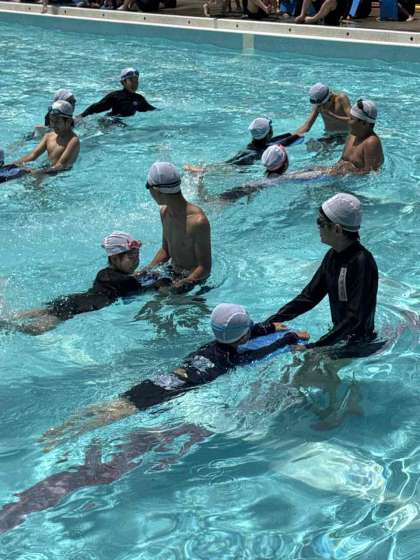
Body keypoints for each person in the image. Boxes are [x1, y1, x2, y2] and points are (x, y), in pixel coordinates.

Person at [40, 303, 310, 446]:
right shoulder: (234, 357)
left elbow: (246, 333)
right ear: (242, 337)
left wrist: (271, 327)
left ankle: (63, 427)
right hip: (175, 389)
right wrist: (289, 338)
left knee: (117, 403)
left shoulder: (212, 344)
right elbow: (262, 351)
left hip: (164, 378)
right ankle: (66, 436)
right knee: (120, 413)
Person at [264, 193, 379, 353]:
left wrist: (314, 347)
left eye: (320, 222)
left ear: (337, 229)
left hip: (358, 346)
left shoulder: (362, 262)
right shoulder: (333, 256)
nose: (318, 227)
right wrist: (269, 323)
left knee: (301, 361)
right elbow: (309, 297)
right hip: (338, 339)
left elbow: (354, 318)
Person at [0, 232, 170, 335]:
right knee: (37, 330)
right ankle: (8, 326)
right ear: (114, 258)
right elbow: (145, 289)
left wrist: (139, 274)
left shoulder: (105, 273)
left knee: (42, 311)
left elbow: (128, 280)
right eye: (131, 257)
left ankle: (9, 319)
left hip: (74, 299)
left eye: (138, 256)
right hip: (79, 307)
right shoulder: (124, 281)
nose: (136, 261)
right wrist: (162, 283)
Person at [145, 161, 212, 293]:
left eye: (148, 186)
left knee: (165, 298)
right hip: (172, 272)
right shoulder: (165, 212)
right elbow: (166, 250)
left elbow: (204, 267)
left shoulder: (197, 222)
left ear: (156, 190)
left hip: (194, 280)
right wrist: (146, 270)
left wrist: (182, 284)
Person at [184, 116, 304, 174]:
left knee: (229, 163)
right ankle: (203, 170)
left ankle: (203, 169)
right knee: (229, 167)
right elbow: (303, 130)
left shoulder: (254, 145)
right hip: (251, 157)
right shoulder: (267, 148)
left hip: (249, 152)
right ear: (269, 133)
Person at [11, 100, 80, 176]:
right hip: (47, 169)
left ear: (69, 121)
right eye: (51, 121)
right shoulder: (49, 136)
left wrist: (38, 171)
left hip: (60, 174)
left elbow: (61, 165)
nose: (53, 125)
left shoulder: (73, 141)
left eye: (57, 122)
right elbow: (33, 155)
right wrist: (12, 165)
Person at [328, 99, 383, 175]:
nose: (348, 122)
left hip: (350, 179)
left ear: (364, 123)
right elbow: (341, 160)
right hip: (339, 175)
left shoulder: (371, 142)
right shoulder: (352, 135)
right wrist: (331, 171)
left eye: (351, 119)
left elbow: (371, 173)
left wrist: (347, 171)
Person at [77, 68, 156, 121]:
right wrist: (80, 116)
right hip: (110, 120)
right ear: (123, 82)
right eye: (131, 81)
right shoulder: (115, 96)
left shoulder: (139, 99)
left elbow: (152, 110)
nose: (134, 84)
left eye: (136, 81)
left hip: (122, 122)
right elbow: (96, 107)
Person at [299, 83, 351, 150]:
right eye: (319, 105)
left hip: (346, 134)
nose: (321, 107)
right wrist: (290, 137)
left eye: (323, 104)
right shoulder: (318, 104)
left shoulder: (341, 99)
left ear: (330, 98)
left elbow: (354, 120)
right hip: (330, 135)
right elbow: (307, 126)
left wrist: (333, 115)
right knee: (311, 146)